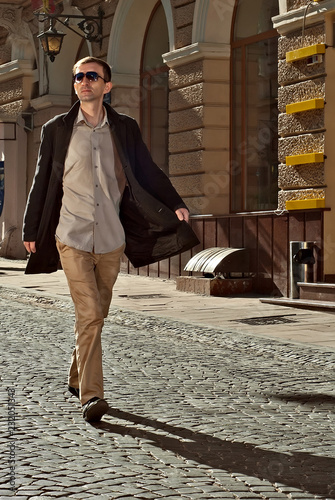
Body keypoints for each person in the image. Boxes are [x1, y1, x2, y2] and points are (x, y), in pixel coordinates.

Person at [22, 57, 198, 423]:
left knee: (96, 314)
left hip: (111, 238)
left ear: (107, 86)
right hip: (70, 235)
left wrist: (175, 203)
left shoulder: (124, 128)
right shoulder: (57, 129)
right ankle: (92, 396)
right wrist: (30, 228)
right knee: (89, 312)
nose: (84, 82)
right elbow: (42, 180)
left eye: (91, 76)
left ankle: (76, 374)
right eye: (78, 77)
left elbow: (148, 170)